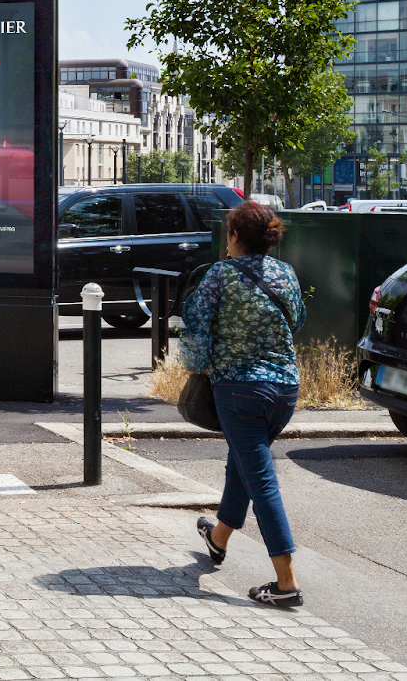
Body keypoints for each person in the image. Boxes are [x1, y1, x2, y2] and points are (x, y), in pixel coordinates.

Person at [180, 199, 306, 607]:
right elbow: (298, 319)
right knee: (245, 463)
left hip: (238, 391)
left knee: (261, 479)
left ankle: (286, 584)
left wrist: (197, 367)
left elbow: (195, 325)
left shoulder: (220, 275)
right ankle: (217, 540)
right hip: (285, 390)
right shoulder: (285, 273)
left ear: (235, 236)